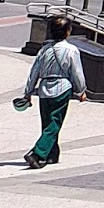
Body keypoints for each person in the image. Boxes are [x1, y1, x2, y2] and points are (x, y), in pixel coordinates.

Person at [19, 15, 87, 168]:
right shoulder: (71, 50)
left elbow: (34, 72)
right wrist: (81, 90)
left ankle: (51, 154)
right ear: (67, 32)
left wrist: (28, 92)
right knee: (55, 122)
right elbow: (77, 72)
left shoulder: (44, 50)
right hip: (62, 88)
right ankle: (37, 153)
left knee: (47, 122)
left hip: (44, 88)